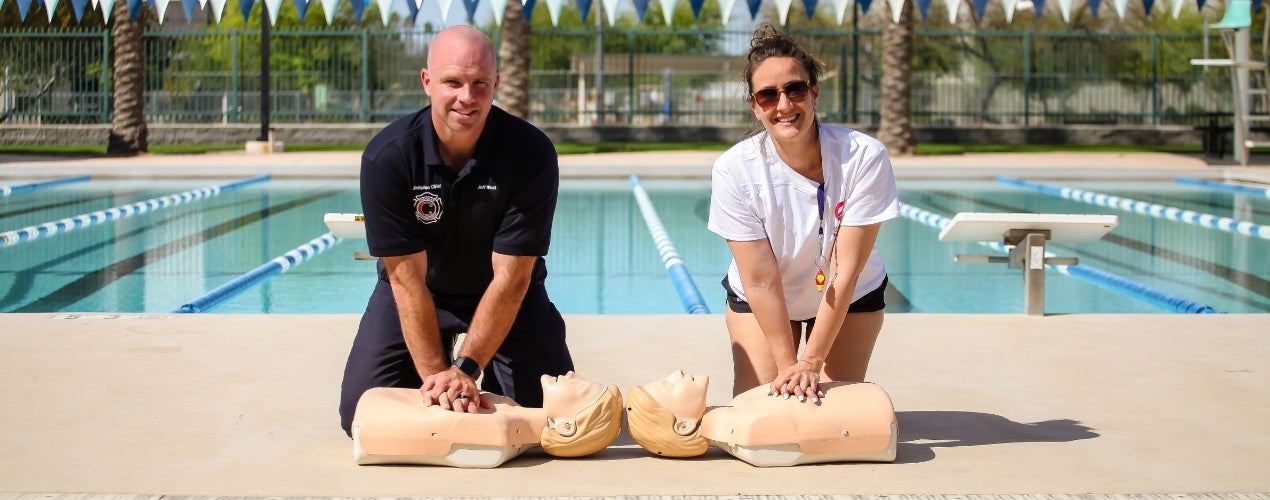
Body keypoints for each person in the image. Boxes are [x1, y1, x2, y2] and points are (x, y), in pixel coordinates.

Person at [339, 25, 574, 437]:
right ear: (427, 82)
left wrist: (466, 367)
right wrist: (440, 382)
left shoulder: (529, 153)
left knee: (546, 414)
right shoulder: (389, 158)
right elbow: (405, 279)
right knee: (359, 415)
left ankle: (492, 377)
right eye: (453, 82)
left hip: (506, 295)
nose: (467, 97)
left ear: (496, 83)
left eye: (480, 83)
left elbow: (513, 277)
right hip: (419, 290)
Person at [707, 24, 900, 400]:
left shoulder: (862, 157)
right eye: (767, 95)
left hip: (850, 294)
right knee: (762, 408)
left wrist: (809, 364)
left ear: (814, 92)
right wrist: (788, 369)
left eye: (794, 89)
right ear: (754, 104)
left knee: (829, 412)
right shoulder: (735, 170)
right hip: (762, 297)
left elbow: (845, 272)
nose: (783, 105)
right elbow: (761, 281)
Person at [626, 370, 897, 466]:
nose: (676, 372)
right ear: (683, 425)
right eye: (667, 385)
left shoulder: (738, 414)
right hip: (878, 417)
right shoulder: (747, 429)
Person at [353, 372, 623, 467]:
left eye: (582, 387)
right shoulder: (507, 414)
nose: (573, 373)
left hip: (373, 411)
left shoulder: (502, 429)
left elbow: (369, 428)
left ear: (567, 426)